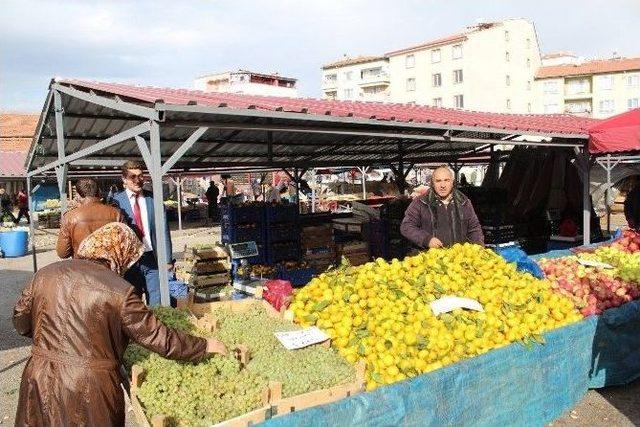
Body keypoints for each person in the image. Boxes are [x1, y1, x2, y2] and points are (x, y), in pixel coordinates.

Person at [13, 222, 227, 427]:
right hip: (89, 388)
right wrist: (204, 346)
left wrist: (49, 340)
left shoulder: (45, 273)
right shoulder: (120, 291)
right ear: (121, 254)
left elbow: (20, 321)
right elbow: (157, 336)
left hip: (39, 377)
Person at [111, 161, 173, 306]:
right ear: (124, 179)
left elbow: (163, 229)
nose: (138, 180)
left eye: (140, 176)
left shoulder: (154, 199)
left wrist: (168, 259)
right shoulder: (116, 202)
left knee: (157, 301)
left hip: (152, 258)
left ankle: (155, 327)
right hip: (130, 262)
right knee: (134, 303)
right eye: (133, 177)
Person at [401, 165, 484, 250]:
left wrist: (478, 248)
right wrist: (426, 239)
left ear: (452, 182)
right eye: (438, 181)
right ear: (432, 183)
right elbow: (407, 226)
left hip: (458, 258)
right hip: (429, 258)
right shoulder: (420, 202)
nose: (443, 185)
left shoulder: (464, 202)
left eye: (446, 180)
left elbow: (474, 228)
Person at [56, 178, 122, 259]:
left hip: (82, 268)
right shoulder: (116, 213)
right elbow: (124, 244)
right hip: (110, 268)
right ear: (98, 192)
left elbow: (62, 253)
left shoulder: (69, 217)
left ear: (78, 195)